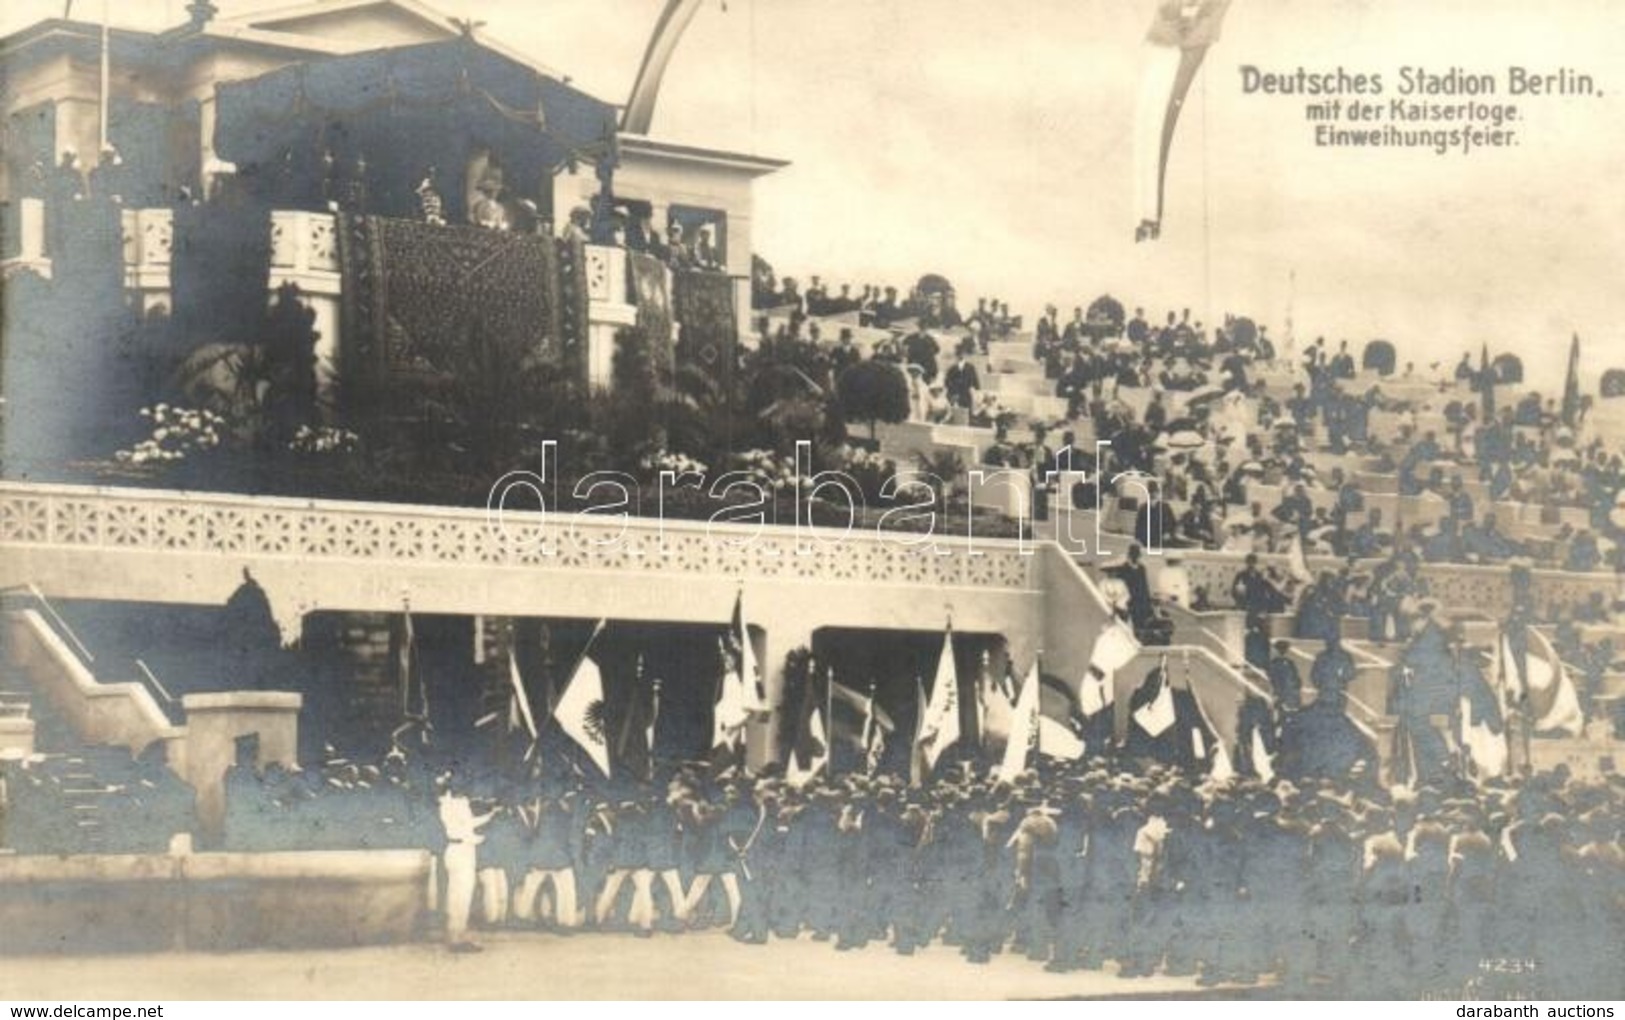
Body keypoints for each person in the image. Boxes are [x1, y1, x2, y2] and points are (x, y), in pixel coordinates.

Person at [438, 770, 496, 952]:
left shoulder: (453, 802)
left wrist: (489, 817)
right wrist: (479, 839)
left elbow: (468, 824)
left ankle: (455, 935)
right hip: (461, 850)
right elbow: (463, 830)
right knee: (460, 896)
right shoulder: (453, 804)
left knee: (458, 895)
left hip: (459, 849)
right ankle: (457, 939)